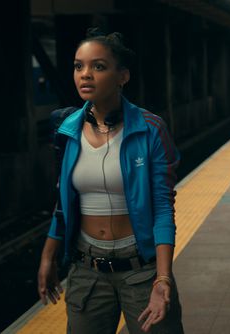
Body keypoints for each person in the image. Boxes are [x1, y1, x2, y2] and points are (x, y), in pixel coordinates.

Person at [36, 28, 184, 334]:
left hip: (141, 271)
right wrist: (48, 256)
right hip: (86, 271)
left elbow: (162, 208)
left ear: (122, 76)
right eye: (79, 66)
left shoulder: (150, 129)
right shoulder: (66, 130)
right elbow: (63, 204)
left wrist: (163, 277)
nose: (85, 75)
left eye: (98, 66)